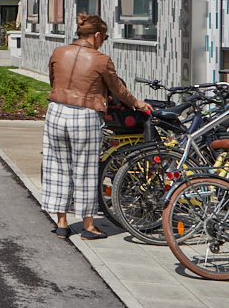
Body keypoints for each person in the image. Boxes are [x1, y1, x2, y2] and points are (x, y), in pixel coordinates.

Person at [44, 13, 151, 239]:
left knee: (57, 167)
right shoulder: (101, 60)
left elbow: (53, 80)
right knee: (85, 170)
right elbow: (117, 89)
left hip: (56, 111)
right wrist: (137, 103)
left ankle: (61, 223)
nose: (104, 41)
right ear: (97, 35)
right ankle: (88, 226)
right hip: (84, 115)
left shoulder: (59, 52)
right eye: (105, 37)